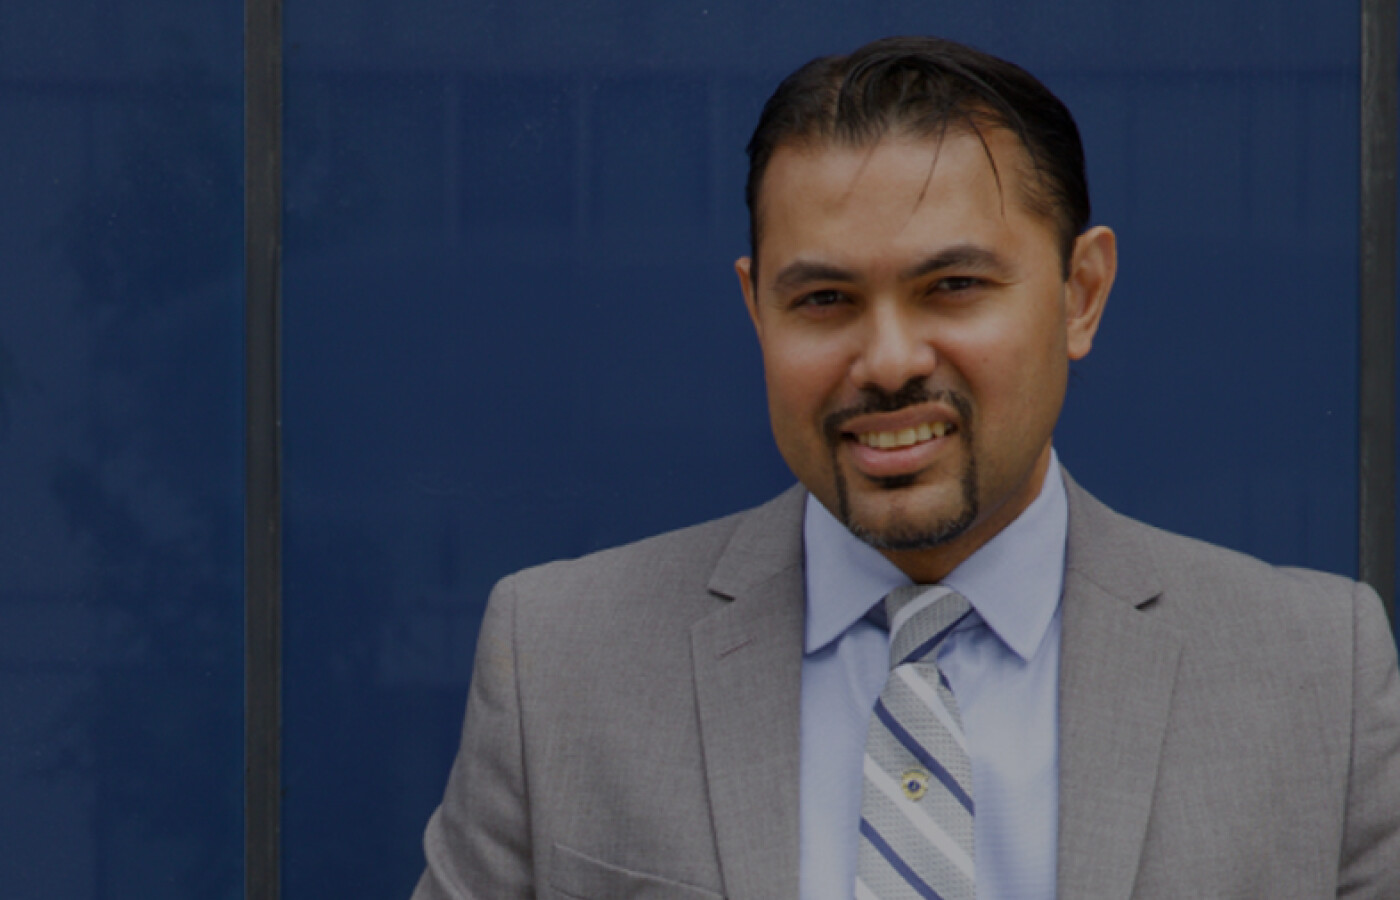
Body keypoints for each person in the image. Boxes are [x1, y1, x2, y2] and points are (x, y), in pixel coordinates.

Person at [412, 36, 1400, 900]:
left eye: (952, 286)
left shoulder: (1317, 676)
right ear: (755, 309)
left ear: (1079, 294)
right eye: (824, 300)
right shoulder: (558, 663)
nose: (887, 361)